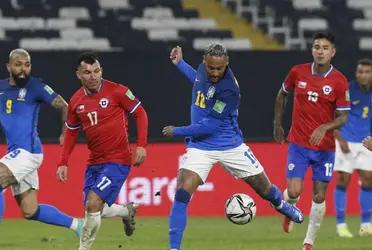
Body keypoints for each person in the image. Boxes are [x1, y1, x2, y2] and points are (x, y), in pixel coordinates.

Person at [163, 44, 304, 250]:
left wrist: (177, 131)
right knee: (182, 192)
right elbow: (198, 81)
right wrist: (180, 63)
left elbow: (210, 125)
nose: (215, 73)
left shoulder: (230, 89)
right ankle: (174, 248)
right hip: (201, 147)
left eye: (219, 69)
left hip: (230, 145)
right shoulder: (204, 72)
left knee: (264, 189)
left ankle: (282, 206)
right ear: (205, 62)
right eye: (211, 68)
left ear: (226, 64)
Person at [56, 52, 148, 250]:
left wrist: (141, 145)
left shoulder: (117, 91)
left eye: (96, 71)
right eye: (87, 72)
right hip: (95, 162)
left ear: (101, 71)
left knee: (92, 204)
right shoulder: (75, 101)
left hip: (118, 160)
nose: (93, 76)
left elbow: (140, 114)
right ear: (78, 74)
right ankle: (126, 212)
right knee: (95, 209)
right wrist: (63, 162)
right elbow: (71, 133)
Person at [273, 32, 350, 250]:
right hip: (298, 143)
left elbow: (343, 116)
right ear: (312, 50)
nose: (320, 51)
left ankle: (308, 243)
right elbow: (282, 94)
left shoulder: (339, 81)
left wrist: (325, 127)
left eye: (325, 48)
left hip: (324, 148)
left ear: (332, 52)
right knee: (295, 191)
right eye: (317, 47)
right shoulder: (298, 72)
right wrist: (277, 124)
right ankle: (290, 209)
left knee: (318, 195)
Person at [0, 49, 82, 234]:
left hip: (28, 152)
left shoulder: (35, 87)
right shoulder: (1, 88)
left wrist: (65, 133)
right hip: (15, 154)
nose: (23, 69)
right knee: (30, 211)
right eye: (18, 64)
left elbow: (64, 106)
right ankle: (78, 225)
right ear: (8, 66)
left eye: (27, 65)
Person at [333, 59, 372, 238]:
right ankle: (341, 225)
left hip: (366, 141)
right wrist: (339, 138)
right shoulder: (347, 90)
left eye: (366, 72)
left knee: (368, 180)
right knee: (343, 180)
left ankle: (366, 224)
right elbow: (332, 115)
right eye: (360, 71)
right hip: (346, 140)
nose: (362, 75)